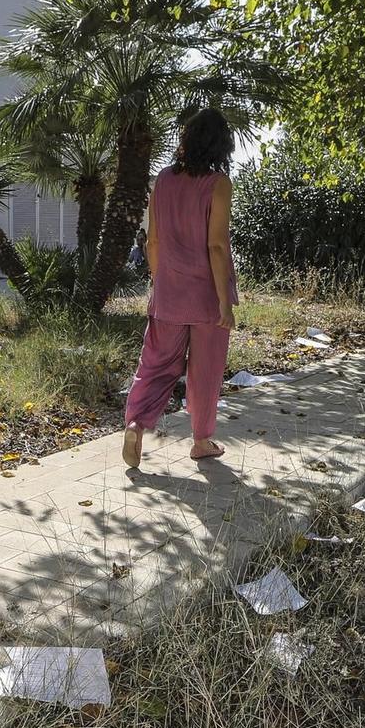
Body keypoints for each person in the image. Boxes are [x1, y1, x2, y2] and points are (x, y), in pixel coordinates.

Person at [122, 109, 238, 468]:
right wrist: (224, 302)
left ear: (186, 141)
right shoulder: (218, 184)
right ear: (222, 145)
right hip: (206, 297)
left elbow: (153, 241)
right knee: (205, 372)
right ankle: (201, 441)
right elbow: (217, 246)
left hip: (169, 294)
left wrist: (161, 283)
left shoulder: (164, 180)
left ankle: (137, 424)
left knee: (156, 364)